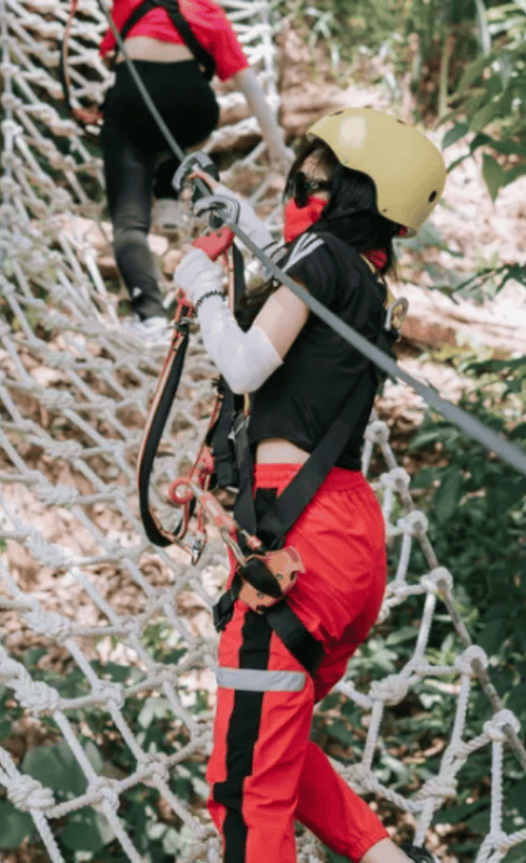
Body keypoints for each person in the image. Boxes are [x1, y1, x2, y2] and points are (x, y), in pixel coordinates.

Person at [171, 107, 448, 863]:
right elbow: (305, 276)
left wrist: (202, 289)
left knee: (243, 788)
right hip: (349, 545)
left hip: (299, 549)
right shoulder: (366, 280)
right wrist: (248, 222)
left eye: (314, 180)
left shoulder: (321, 256)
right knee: (275, 747)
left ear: (348, 196)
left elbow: (246, 364)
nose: (300, 191)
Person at [93, 0, 293, 337]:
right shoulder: (209, 11)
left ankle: (150, 316)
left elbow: (109, 56)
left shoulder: (127, 3)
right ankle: (170, 193)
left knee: (129, 224)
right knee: (187, 126)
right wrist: (278, 151)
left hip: (131, 102)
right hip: (191, 109)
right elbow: (250, 87)